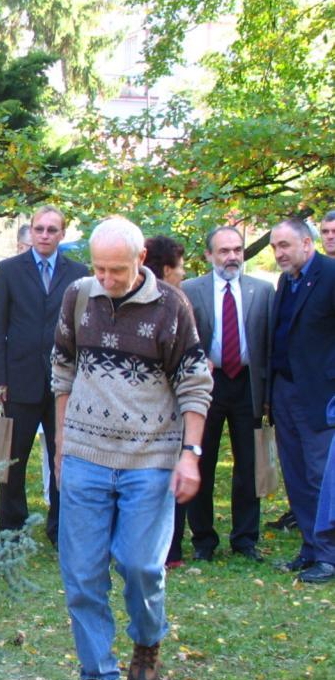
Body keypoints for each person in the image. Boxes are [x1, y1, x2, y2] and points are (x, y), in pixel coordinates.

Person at [52, 216, 212, 680]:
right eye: (99, 268)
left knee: (142, 564)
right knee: (81, 573)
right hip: (84, 455)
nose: (106, 279)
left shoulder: (172, 306)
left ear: (141, 260)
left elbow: (195, 384)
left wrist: (190, 455)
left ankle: (148, 636)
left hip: (151, 456)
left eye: (116, 270)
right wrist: (61, 446)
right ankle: (97, 674)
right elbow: (62, 370)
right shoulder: (78, 296)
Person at [0, 205, 89, 546]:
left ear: (62, 234)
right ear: (30, 231)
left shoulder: (79, 273)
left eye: (52, 230)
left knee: (65, 456)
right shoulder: (9, 270)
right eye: (39, 229)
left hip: (65, 383)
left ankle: (60, 527)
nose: (44, 235)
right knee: (13, 459)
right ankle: (11, 527)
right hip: (19, 378)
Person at [181, 226, 273, 564]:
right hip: (207, 386)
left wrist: (267, 395)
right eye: (224, 251)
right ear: (209, 255)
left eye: (237, 250)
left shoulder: (262, 291)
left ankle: (245, 539)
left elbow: (268, 344)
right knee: (200, 461)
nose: (232, 257)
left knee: (248, 466)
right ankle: (204, 539)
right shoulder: (191, 290)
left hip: (247, 385)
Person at [268, 218, 335, 582]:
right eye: (275, 247)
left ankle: (329, 555)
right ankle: (311, 549)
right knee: (295, 474)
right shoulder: (285, 282)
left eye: (285, 246)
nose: (279, 253)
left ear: (307, 244)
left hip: (320, 395)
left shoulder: (330, 275)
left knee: (321, 476)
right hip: (285, 392)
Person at [144, 235, 189, 568]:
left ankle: (170, 549)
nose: (184, 273)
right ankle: (159, 549)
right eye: (181, 266)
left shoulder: (180, 302)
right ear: (166, 268)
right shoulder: (167, 305)